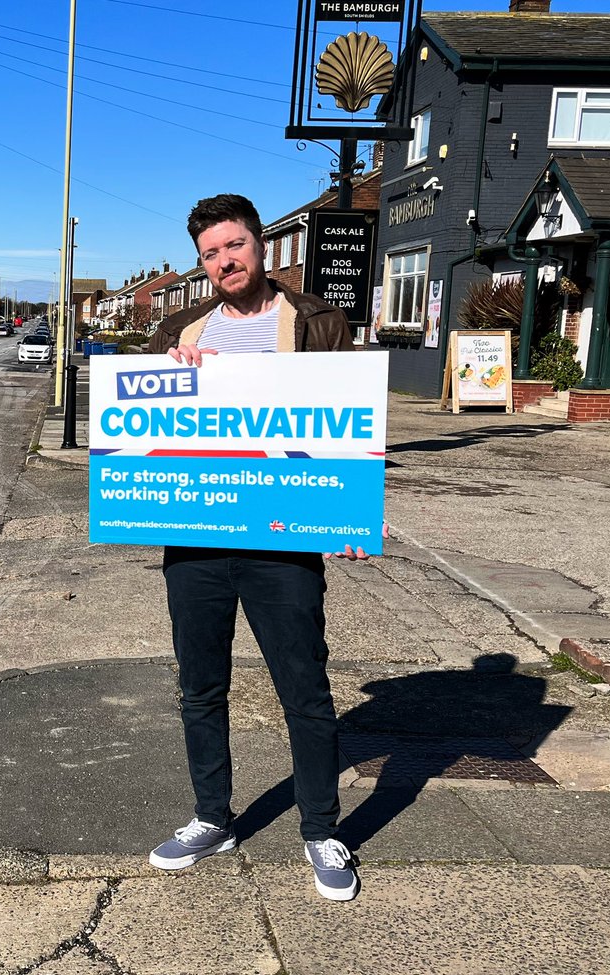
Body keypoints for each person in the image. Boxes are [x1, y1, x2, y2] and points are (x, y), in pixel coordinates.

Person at [144, 193, 372, 902]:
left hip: (282, 539)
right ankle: (213, 817)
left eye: (234, 246)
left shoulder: (317, 322)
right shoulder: (179, 326)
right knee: (199, 687)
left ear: (262, 246)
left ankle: (322, 831)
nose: (224, 261)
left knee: (304, 690)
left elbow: (343, 423)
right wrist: (169, 374)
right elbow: (154, 433)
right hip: (198, 539)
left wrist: (350, 515)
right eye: (211, 253)